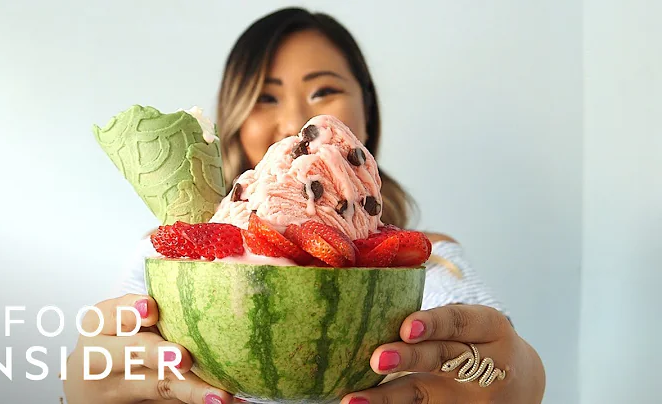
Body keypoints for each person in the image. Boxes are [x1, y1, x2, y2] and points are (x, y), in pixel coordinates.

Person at [64, 7, 545, 404]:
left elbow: (490, 359)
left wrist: (518, 380)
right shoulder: (170, 258)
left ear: (367, 112)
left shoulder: (423, 258)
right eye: (264, 97)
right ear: (234, 118)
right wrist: (81, 391)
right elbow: (118, 364)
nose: (296, 119)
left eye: (324, 91)